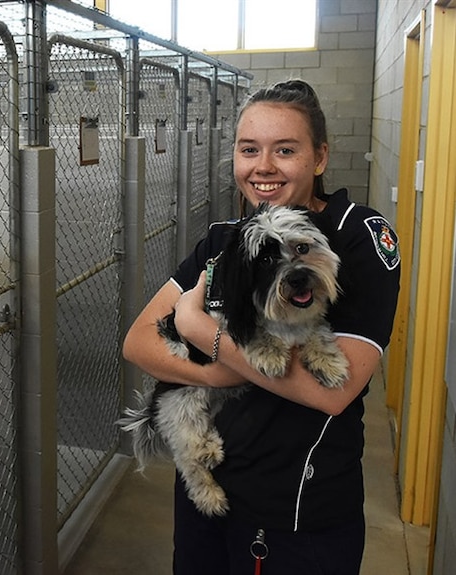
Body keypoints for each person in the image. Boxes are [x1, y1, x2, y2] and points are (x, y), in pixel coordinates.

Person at [122, 79, 401, 575]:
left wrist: (198, 327)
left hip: (294, 512)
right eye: (249, 149)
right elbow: (139, 341)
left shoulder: (358, 236)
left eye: (285, 150)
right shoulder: (223, 239)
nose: (263, 167)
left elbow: (334, 389)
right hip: (208, 494)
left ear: (319, 158)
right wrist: (212, 375)